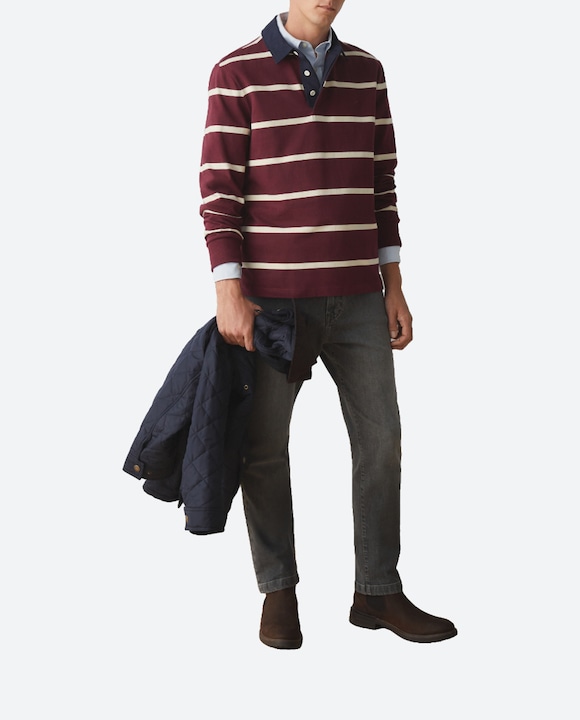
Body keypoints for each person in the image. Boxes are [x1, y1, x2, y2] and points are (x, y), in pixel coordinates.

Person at [199, 0, 457, 649]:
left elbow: (381, 185)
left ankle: (377, 591)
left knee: (382, 442)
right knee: (264, 448)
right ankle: (278, 591)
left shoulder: (368, 71)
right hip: (273, 300)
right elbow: (219, 189)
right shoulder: (236, 71)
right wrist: (228, 289)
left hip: (360, 297)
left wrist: (394, 285)